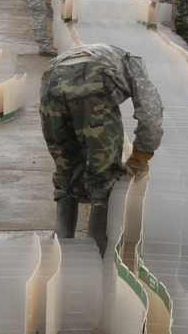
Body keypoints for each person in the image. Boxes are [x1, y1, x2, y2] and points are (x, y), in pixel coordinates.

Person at [40, 43, 163, 255]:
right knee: (104, 176)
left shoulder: (97, 53)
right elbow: (151, 113)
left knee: (66, 169)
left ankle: (60, 245)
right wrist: (140, 156)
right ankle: (95, 251)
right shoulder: (135, 64)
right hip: (95, 81)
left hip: (51, 80)